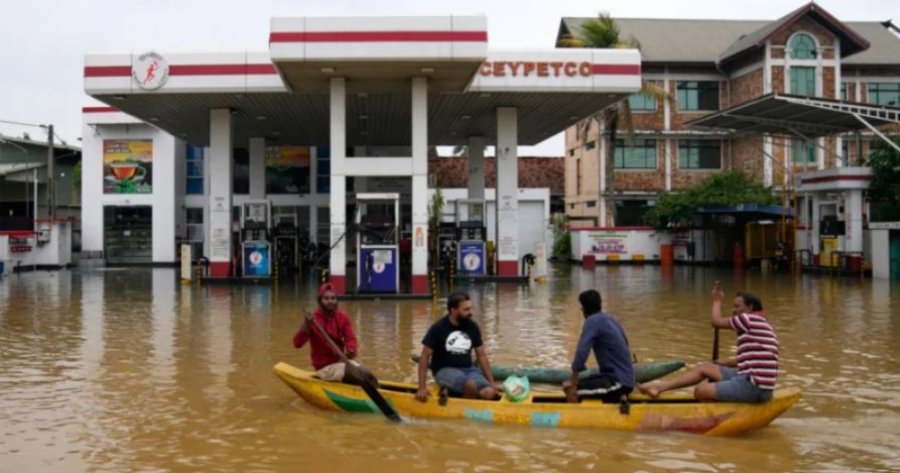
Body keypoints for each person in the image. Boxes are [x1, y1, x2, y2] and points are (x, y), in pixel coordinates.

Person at [638, 282, 778, 403]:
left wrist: (717, 301)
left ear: (750, 308)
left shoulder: (748, 319)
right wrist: (724, 363)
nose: (734, 311)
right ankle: (660, 387)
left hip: (754, 387)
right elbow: (752, 358)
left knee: (701, 391)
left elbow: (716, 322)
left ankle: (719, 412)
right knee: (705, 367)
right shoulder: (761, 324)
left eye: (737, 306)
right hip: (751, 382)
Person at [415, 292, 500, 402]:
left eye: (470, 308)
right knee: (470, 386)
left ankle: (453, 392)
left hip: (468, 370)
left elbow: (481, 356)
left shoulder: (472, 327)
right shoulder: (438, 328)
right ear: (453, 310)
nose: (470, 313)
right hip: (444, 370)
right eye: (466, 310)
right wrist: (422, 387)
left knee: (490, 393)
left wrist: (491, 382)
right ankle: (465, 413)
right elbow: (424, 357)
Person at [293, 282, 375, 385]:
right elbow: (297, 343)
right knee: (357, 374)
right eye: (326, 299)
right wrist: (306, 323)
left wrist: (351, 349)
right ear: (320, 301)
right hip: (324, 367)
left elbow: (350, 338)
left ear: (336, 300)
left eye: (333, 298)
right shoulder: (313, 320)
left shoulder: (342, 317)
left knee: (367, 373)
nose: (330, 301)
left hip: (342, 362)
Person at [563, 289, 635, 403]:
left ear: (584, 309)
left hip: (617, 382)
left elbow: (581, 352)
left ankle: (573, 417)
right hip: (625, 380)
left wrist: (573, 381)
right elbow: (626, 343)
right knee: (587, 382)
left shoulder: (592, 321)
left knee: (568, 387)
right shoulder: (612, 319)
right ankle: (618, 397)